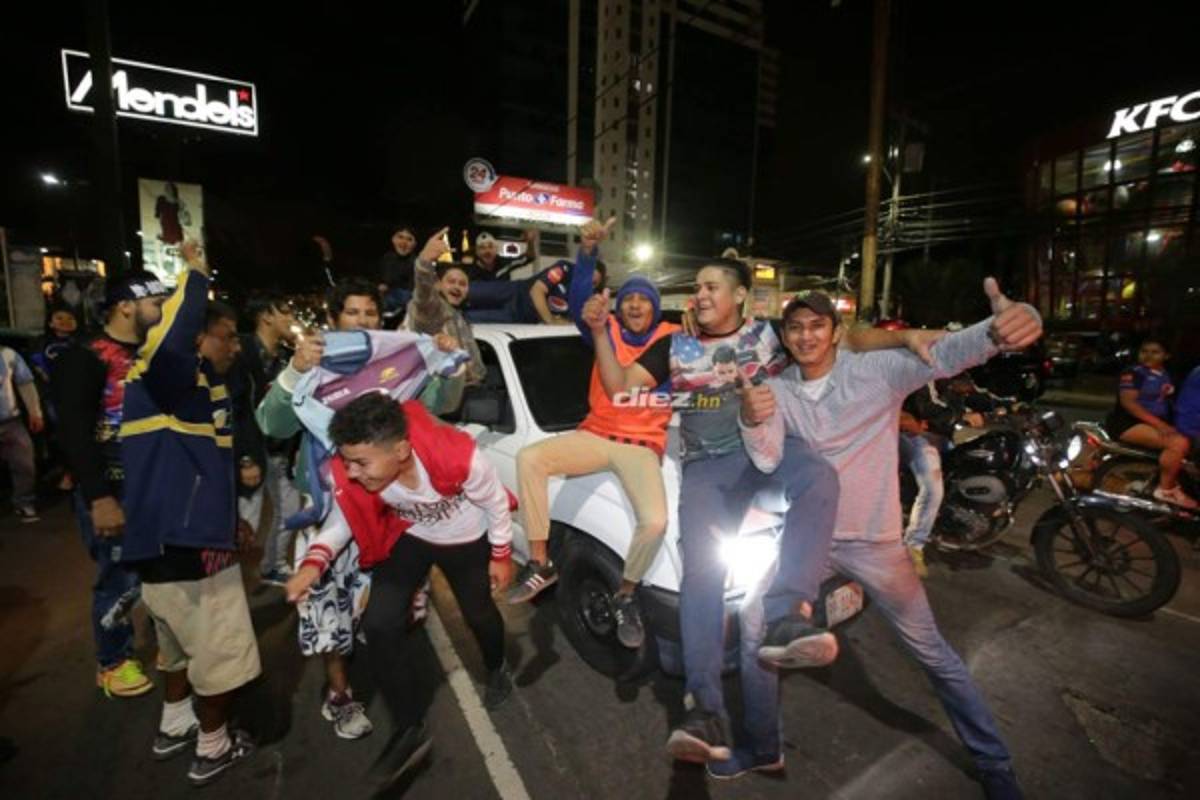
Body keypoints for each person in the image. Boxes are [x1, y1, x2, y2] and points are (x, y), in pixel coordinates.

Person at [584, 257, 940, 768]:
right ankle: (702, 708)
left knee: (819, 476)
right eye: (697, 288)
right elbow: (620, 388)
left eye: (711, 287)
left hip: (768, 453)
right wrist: (600, 331)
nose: (700, 295)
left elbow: (849, 339)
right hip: (708, 468)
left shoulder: (771, 336)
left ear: (740, 296)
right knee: (702, 574)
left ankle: (787, 615)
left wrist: (908, 338)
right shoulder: (674, 346)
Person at [738, 281, 1040, 795]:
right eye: (796, 328)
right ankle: (763, 744)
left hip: (874, 542)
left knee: (933, 653)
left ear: (836, 333)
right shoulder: (780, 389)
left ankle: (994, 764)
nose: (806, 336)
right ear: (785, 338)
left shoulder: (874, 373)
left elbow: (946, 356)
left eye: (817, 325)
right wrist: (750, 419)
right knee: (752, 628)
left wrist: (1002, 328)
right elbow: (766, 457)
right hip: (806, 539)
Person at [284, 394, 515, 791]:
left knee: (478, 614)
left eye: (361, 463)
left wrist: (501, 555)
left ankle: (497, 669)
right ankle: (410, 727)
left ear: (402, 450)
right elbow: (343, 520)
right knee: (380, 622)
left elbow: (496, 504)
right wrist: (312, 564)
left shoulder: (458, 456)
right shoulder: (361, 470)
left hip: (466, 540)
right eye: (348, 462)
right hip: (411, 536)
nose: (352, 473)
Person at [119, 242, 260, 787]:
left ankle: (174, 723)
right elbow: (171, 337)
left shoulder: (199, 390)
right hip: (187, 547)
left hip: (168, 543)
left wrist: (230, 520)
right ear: (197, 338)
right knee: (219, 657)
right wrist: (195, 273)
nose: (235, 347)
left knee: (175, 647)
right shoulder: (167, 378)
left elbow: (205, 467)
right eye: (225, 336)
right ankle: (213, 744)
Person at [507, 217, 677, 650]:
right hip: (596, 435)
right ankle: (541, 561)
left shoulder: (671, 339)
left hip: (640, 447)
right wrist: (587, 254)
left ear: (656, 307)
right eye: (630, 299)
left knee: (655, 521)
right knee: (530, 459)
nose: (636, 306)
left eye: (645, 300)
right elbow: (584, 300)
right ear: (619, 306)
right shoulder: (605, 328)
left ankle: (625, 594)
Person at [251, 278, 389, 741]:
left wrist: (443, 366)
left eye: (371, 313)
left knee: (370, 607)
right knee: (329, 613)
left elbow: (433, 408)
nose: (363, 321)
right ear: (334, 319)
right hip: (326, 512)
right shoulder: (312, 366)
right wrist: (294, 369)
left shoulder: (389, 368)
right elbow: (271, 422)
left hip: (379, 511)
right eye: (353, 313)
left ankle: (363, 658)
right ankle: (340, 697)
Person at [51, 271, 170, 697]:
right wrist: (99, 497)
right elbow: (75, 434)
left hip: (154, 484)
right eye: (156, 303)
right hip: (112, 491)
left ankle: (168, 645)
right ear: (126, 306)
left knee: (160, 570)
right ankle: (113, 661)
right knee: (119, 579)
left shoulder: (156, 351)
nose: (162, 312)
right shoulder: (84, 357)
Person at [228, 292, 299, 586]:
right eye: (285, 312)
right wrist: (244, 457)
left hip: (281, 450)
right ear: (266, 316)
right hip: (250, 451)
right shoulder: (240, 351)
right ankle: (222, 584)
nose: (292, 319)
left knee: (293, 511)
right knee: (246, 524)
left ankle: (273, 565)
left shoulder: (286, 357)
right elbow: (236, 409)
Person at [898, 380, 986, 577]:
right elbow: (927, 404)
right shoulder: (925, 361)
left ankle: (958, 524)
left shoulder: (955, 366)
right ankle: (913, 547)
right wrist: (961, 415)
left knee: (970, 461)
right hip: (914, 430)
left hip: (940, 431)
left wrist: (1007, 405)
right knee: (932, 485)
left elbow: (972, 390)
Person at [1105, 338, 1196, 509]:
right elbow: (1129, 403)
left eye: (1155, 352)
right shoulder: (1134, 373)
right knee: (1178, 443)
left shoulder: (1168, 375)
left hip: (1157, 423)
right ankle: (1166, 490)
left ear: (1166, 356)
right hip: (1128, 423)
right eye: (1144, 351)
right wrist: (1160, 425)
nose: (1148, 356)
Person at [405, 227, 487, 391]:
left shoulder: (459, 316)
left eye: (463, 284)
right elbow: (424, 296)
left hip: (469, 391)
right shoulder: (433, 309)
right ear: (438, 285)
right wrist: (424, 262)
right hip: (441, 396)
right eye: (451, 281)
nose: (457, 287)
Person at [0, 345, 43, 522]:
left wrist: (35, 412)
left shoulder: (8, 354)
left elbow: (25, 383)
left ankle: (23, 502)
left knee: (24, 464)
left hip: (10, 421)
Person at [378, 224, 418, 312]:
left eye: (409, 239)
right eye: (400, 237)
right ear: (393, 239)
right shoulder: (387, 258)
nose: (403, 242)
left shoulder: (417, 263)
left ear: (415, 244)